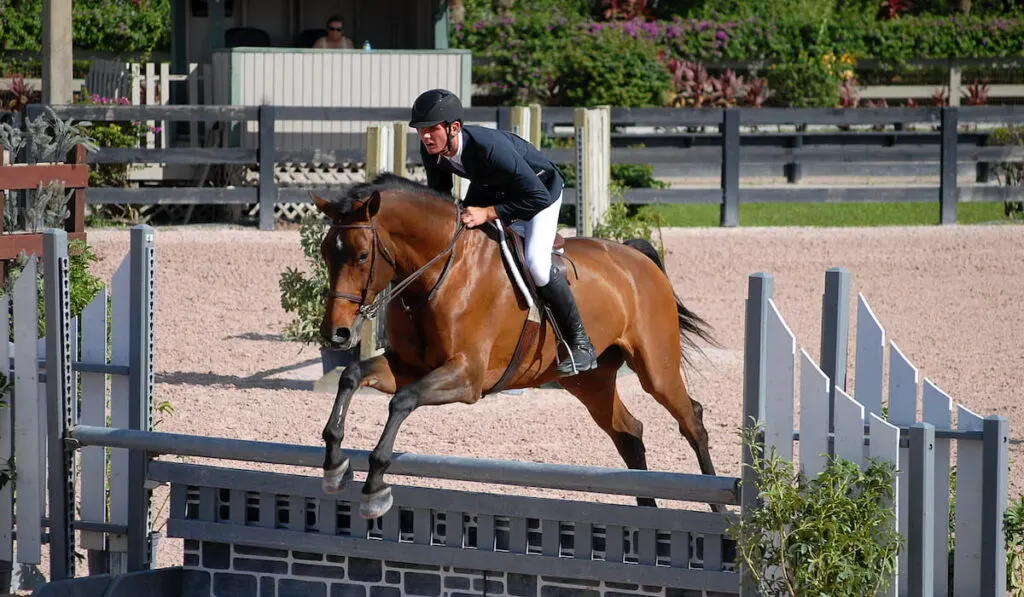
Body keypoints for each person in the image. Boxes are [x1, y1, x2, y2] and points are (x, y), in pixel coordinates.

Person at [408, 88, 598, 377]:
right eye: (421, 130)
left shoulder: (489, 148)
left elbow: (535, 197)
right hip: (494, 187)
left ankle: (581, 344)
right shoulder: (433, 150)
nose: (425, 136)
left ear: (454, 127)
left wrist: (488, 213)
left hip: (539, 189)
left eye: (432, 129)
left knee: (536, 263)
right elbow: (440, 196)